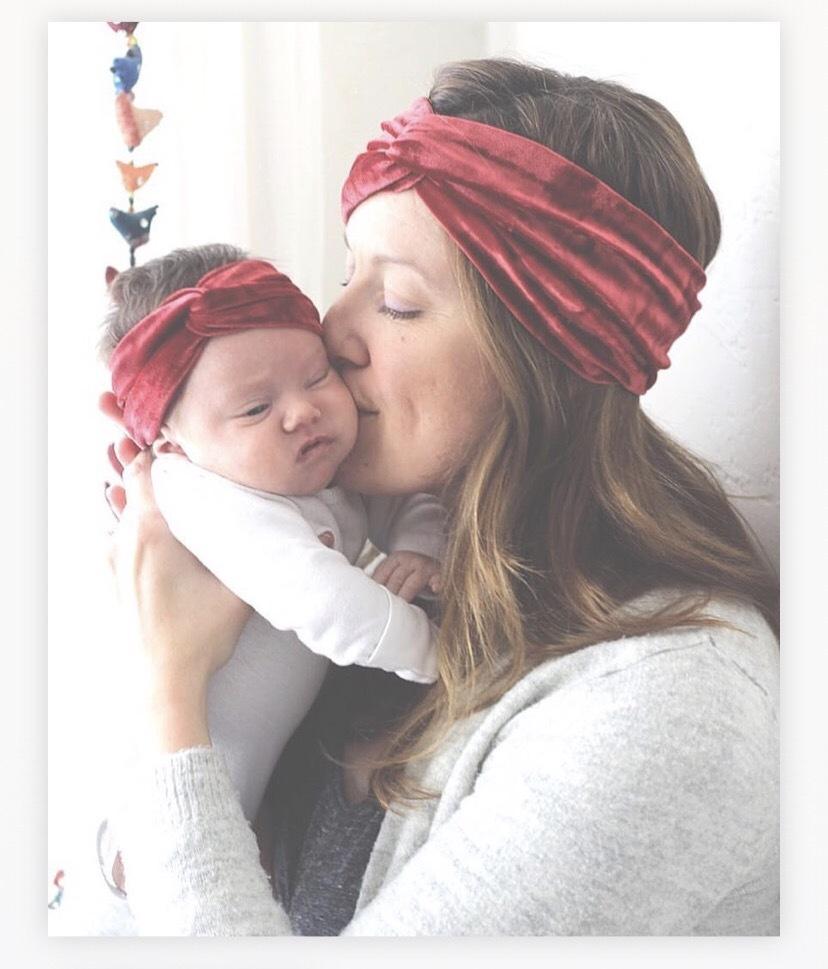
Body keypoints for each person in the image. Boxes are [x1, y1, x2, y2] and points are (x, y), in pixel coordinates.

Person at [100, 59, 779, 936]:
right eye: (346, 273)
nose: (331, 330)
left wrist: (171, 685)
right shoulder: (375, 558)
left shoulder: (668, 711)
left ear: (547, 356)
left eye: (396, 302)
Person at [98, 248, 444, 830]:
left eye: (317, 375)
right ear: (171, 443)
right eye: (256, 408)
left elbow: (407, 500)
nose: (303, 412)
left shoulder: (306, 462)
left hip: (260, 794)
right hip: (159, 808)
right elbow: (322, 599)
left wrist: (419, 545)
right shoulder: (197, 495)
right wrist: (436, 651)